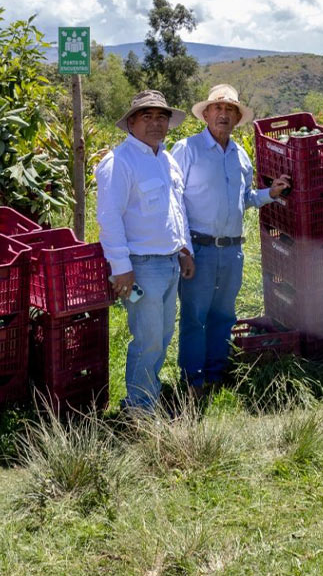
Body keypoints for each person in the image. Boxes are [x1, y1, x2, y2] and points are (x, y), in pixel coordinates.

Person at [169, 84, 289, 393]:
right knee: (195, 317)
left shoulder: (240, 155)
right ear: (206, 114)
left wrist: (269, 195)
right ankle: (193, 380)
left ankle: (217, 375)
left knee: (224, 315)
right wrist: (183, 249)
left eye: (230, 111)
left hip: (232, 250)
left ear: (237, 118)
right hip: (199, 248)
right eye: (218, 109)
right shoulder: (187, 149)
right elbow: (173, 200)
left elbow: (244, 197)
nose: (223, 114)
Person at [95, 90, 195, 412]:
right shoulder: (119, 162)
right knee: (148, 337)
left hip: (168, 266)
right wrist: (121, 267)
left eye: (161, 117)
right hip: (140, 270)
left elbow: (175, 209)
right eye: (147, 117)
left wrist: (184, 249)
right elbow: (109, 217)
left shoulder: (166, 160)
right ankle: (139, 407)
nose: (156, 123)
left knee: (163, 334)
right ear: (131, 123)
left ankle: (147, 394)